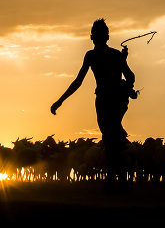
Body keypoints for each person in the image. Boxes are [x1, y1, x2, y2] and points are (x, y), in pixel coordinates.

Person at [51, 18, 137, 186]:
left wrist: (60, 101)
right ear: (107, 37)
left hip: (105, 100)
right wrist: (123, 63)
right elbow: (131, 77)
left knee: (110, 137)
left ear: (92, 37)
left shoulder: (92, 56)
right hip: (119, 101)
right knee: (113, 136)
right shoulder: (116, 55)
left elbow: (78, 81)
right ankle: (117, 177)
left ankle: (114, 178)